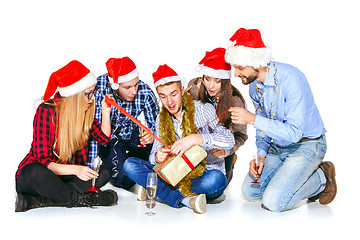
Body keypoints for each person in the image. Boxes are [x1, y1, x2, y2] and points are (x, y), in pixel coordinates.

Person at [225, 28, 337, 212]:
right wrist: (261, 153)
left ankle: (321, 178)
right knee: (249, 192)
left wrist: (252, 119)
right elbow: (263, 126)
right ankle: (287, 177)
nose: (236, 74)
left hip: (306, 144)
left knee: (273, 202)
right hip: (278, 146)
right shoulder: (254, 87)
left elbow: (294, 132)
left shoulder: (291, 79)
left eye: (240, 67)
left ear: (256, 63)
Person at [123, 64, 235, 214]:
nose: (170, 102)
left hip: (204, 174)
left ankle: (156, 189)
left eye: (174, 94)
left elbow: (229, 139)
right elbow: (153, 156)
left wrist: (197, 138)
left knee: (216, 181)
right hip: (172, 172)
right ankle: (185, 200)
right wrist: (158, 156)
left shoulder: (203, 108)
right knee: (130, 164)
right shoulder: (161, 119)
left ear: (182, 91)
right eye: (163, 97)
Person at [15, 60, 118, 212]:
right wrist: (76, 170)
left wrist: (106, 112)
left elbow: (103, 138)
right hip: (39, 178)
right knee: (33, 171)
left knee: (103, 173)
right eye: (88, 94)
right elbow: (42, 161)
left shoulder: (84, 112)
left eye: (93, 92)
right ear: (74, 96)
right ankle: (81, 200)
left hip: (64, 180)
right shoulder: (46, 111)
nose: (92, 98)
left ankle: (41, 201)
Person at [89, 57, 159, 189]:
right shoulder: (98, 90)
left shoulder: (145, 92)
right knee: (125, 181)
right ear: (114, 86)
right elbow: (95, 136)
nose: (134, 91)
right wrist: (91, 167)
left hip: (131, 133)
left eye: (136, 84)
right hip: (108, 138)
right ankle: (118, 161)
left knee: (153, 158)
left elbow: (158, 126)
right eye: (127, 87)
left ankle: (131, 160)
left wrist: (151, 134)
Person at [187, 47, 248, 184]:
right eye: (207, 79)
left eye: (217, 81)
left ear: (225, 81)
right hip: (198, 143)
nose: (211, 86)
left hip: (220, 146)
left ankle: (231, 161)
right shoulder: (195, 88)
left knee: (221, 182)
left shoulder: (235, 101)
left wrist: (227, 152)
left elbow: (241, 136)